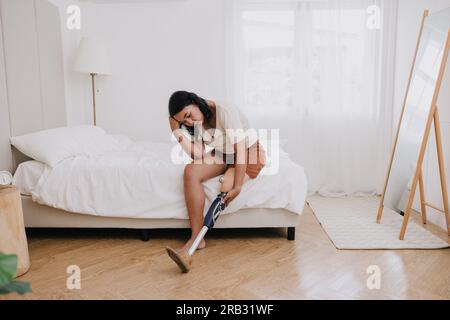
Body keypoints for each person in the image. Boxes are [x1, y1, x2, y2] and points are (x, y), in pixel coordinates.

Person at [168, 91, 266, 253]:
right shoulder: (197, 123)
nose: (190, 122)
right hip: (225, 154)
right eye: (184, 122)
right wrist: (177, 133)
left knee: (227, 184)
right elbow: (197, 154)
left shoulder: (225, 111)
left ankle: (196, 239)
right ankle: (196, 238)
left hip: (249, 152)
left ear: (195, 101)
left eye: (189, 115)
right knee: (191, 171)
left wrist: (238, 187)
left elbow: (240, 150)